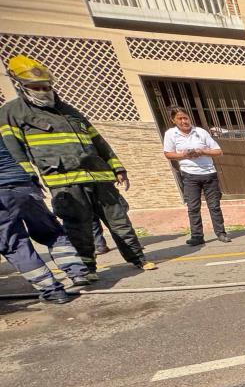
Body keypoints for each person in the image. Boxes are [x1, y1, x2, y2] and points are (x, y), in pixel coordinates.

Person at [0, 55, 156, 275]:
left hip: (99, 177)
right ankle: (88, 269)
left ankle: (138, 259)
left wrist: (118, 168)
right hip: (64, 181)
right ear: (23, 87)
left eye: (47, 86)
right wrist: (29, 178)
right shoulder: (13, 112)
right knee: (78, 227)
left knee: (120, 221)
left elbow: (99, 141)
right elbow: (14, 149)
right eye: (37, 87)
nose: (44, 91)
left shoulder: (70, 111)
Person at [0, 137, 89, 303]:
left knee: (16, 245)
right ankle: (78, 273)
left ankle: (53, 291)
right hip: (24, 185)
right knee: (51, 232)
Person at [162, 106, 229, 245]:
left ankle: (221, 233)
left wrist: (203, 152)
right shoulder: (170, 134)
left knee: (214, 206)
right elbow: (168, 154)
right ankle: (197, 236)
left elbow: (218, 151)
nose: (183, 121)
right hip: (189, 175)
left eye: (185, 118)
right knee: (193, 207)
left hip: (209, 173)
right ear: (173, 120)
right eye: (179, 119)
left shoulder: (200, 132)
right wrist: (184, 155)